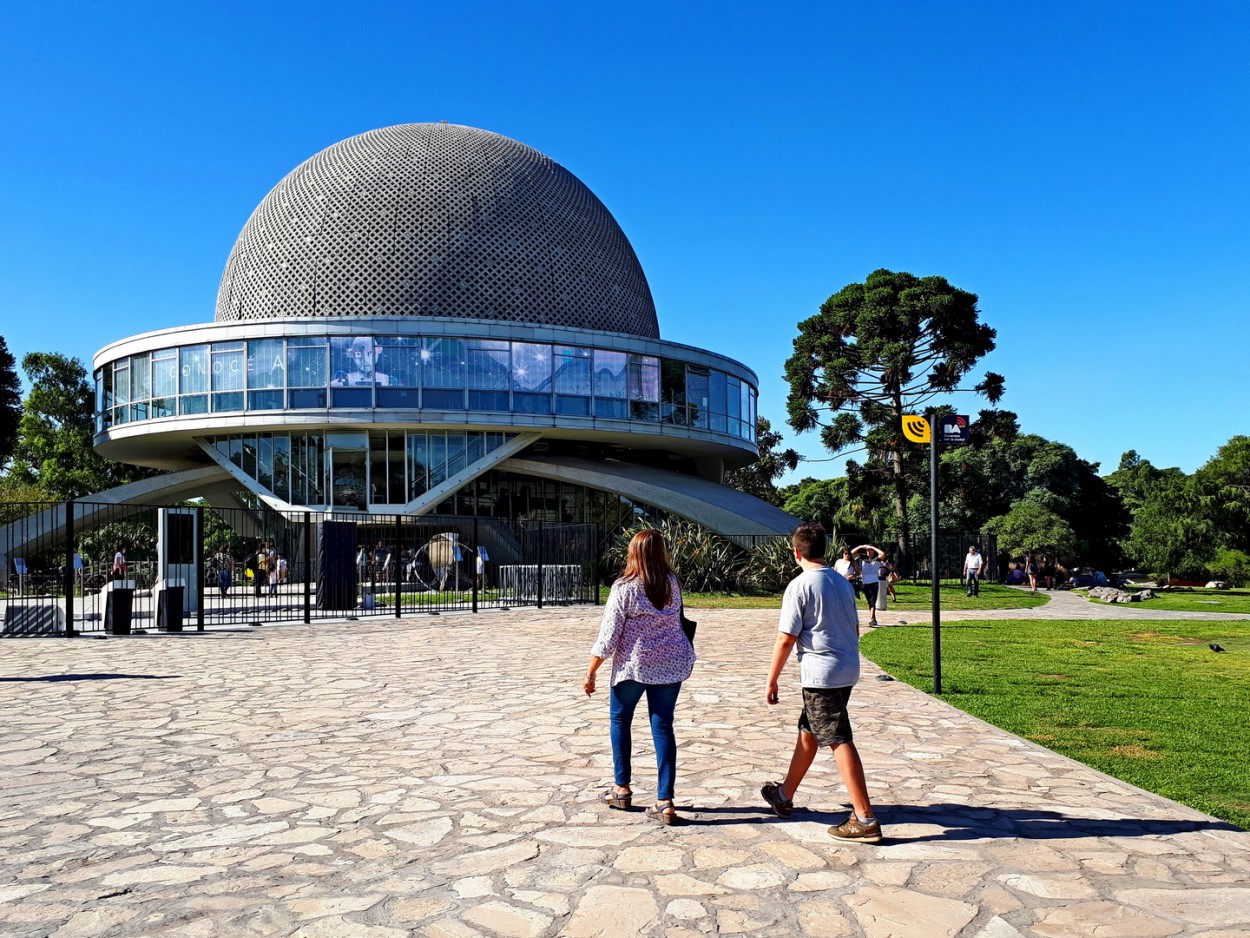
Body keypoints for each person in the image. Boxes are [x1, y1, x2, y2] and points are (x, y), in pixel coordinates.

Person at [761, 522, 882, 843]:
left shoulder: (800, 586)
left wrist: (771, 679)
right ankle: (784, 796)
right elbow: (854, 627)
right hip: (845, 668)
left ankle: (865, 818)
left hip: (821, 674)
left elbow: (786, 638)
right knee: (810, 730)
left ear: (796, 552)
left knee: (838, 738)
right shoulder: (841, 583)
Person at [584, 529, 695, 825]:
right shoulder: (672, 583)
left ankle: (622, 788)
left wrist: (592, 669)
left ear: (633, 553)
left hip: (634, 666)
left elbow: (609, 637)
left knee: (620, 720)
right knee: (663, 726)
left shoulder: (625, 587)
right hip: (670, 664)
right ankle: (665, 800)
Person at [855, 545, 888, 628]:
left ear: (873, 551)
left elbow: (883, 554)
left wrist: (873, 547)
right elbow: (853, 553)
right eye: (867, 550)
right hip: (865, 582)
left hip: (874, 582)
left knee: (872, 600)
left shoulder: (877, 558)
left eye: (870, 550)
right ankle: (874, 618)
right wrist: (861, 546)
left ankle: (871, 619)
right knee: (869, 602)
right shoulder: (863, 557)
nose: (868, 552)